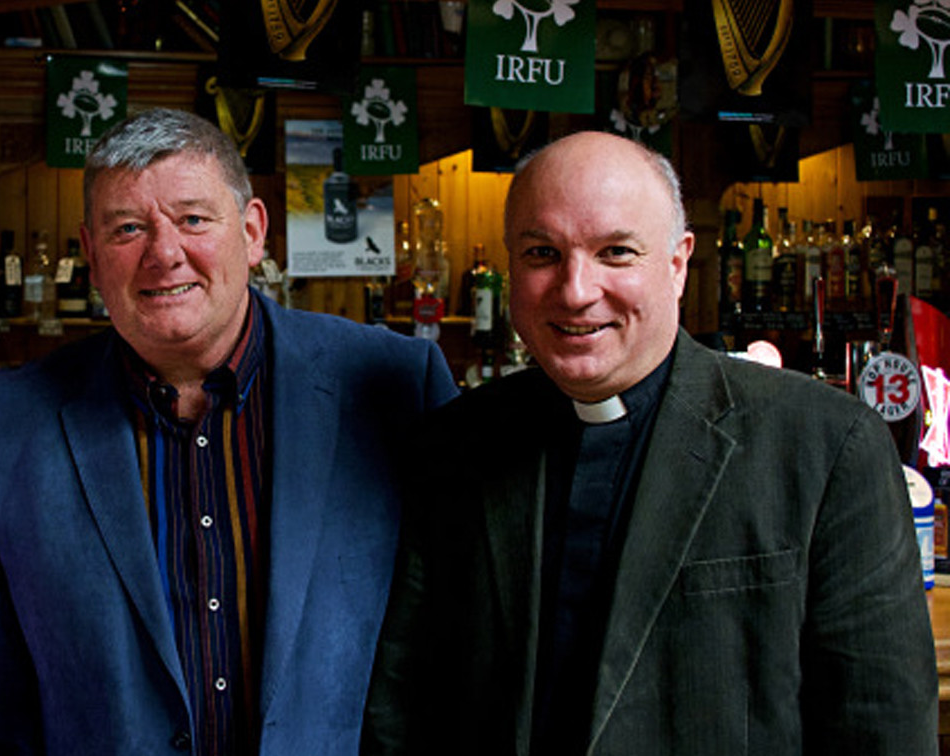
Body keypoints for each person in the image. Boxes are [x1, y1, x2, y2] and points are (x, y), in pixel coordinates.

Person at [362, 131, 937, 755]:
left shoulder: (826, 445)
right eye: (541, 253)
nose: (576, 290)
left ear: (678, 262)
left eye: (615, 252)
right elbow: (404, 707)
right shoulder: (456, 442)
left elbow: (884, 727)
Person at [0, 107, 458, 756]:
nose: (164, 254)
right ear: (89, 254)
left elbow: (452, 645)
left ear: (252, 232)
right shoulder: (5, 422)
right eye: (128, 228)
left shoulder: (395, 385)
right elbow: (3, 690)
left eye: (194, 219)